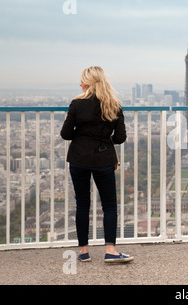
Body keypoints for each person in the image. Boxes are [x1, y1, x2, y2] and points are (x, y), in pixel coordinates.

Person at [61, 66, 134, 263]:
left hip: (78, 158)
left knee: (82, 205)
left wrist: (83, 136)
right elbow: (120, 138)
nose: (80, 84)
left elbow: (65, 134)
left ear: (88, 83)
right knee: (109, 205)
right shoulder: (114, 105)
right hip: (103, 159)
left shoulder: (76, 104)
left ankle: (84, 251)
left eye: (82, 81)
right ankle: (110, 250)